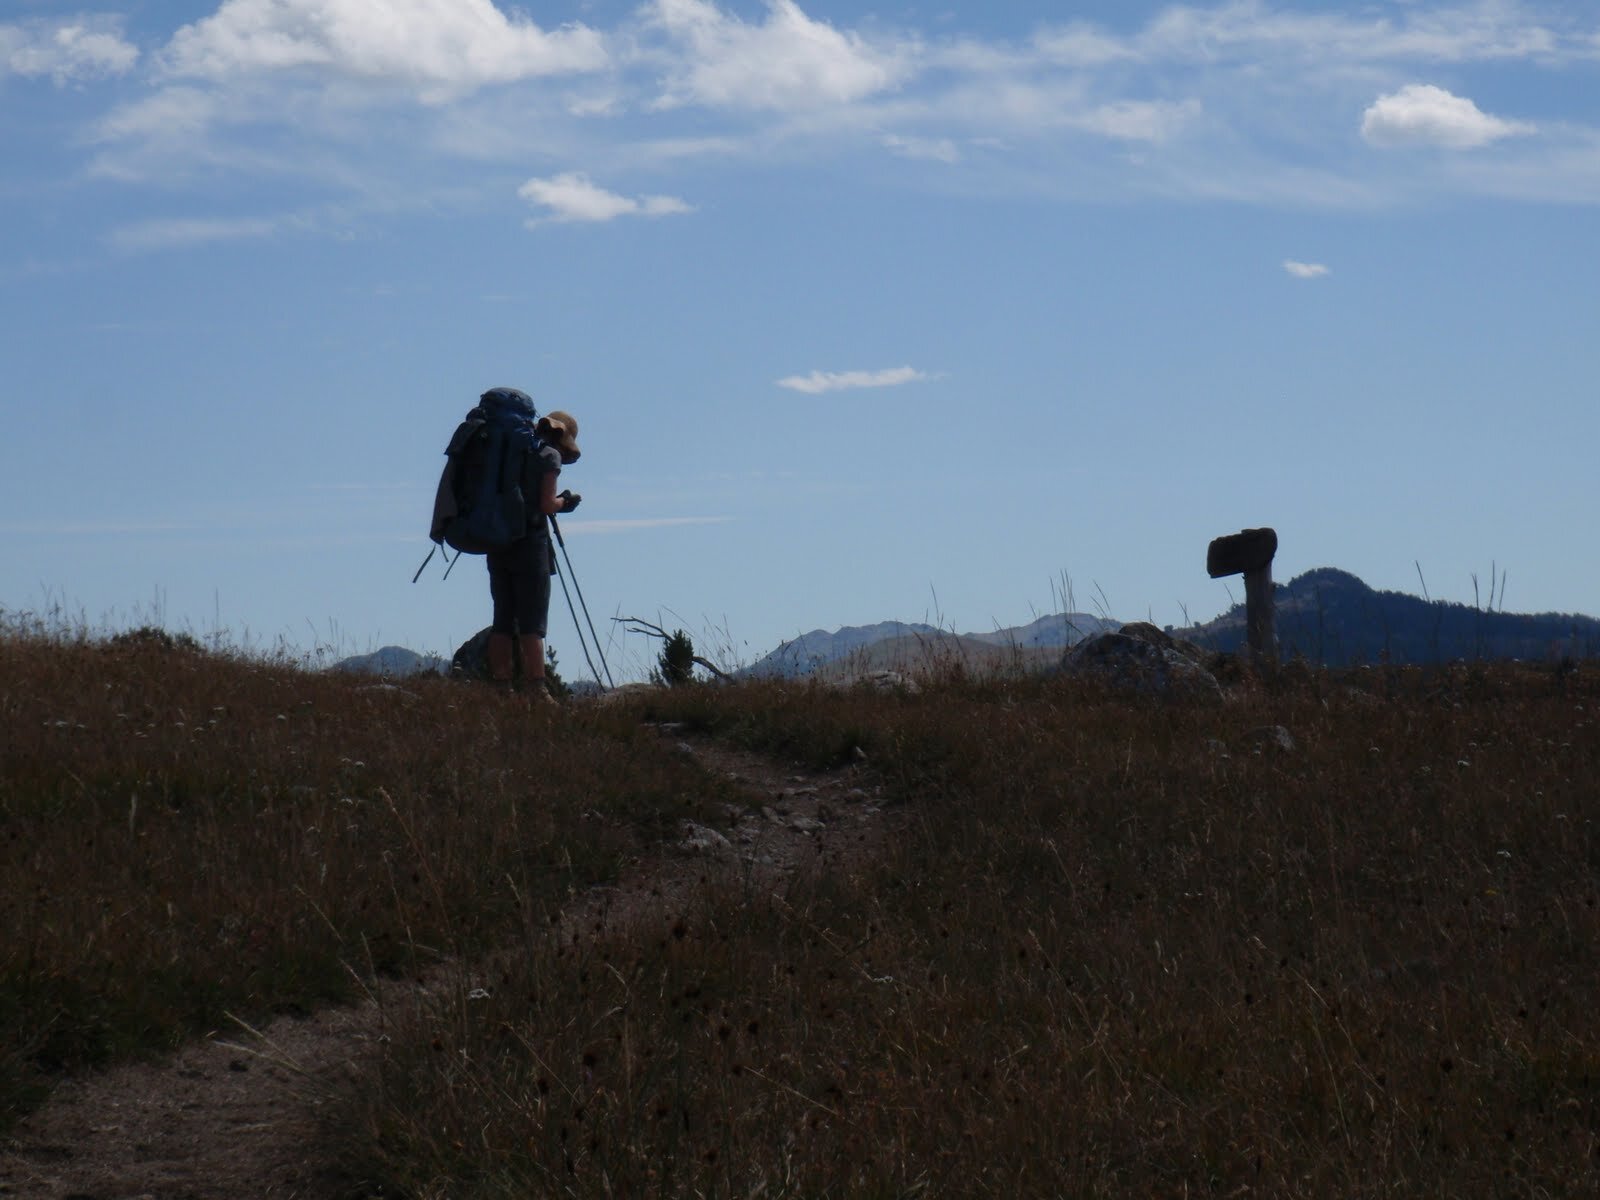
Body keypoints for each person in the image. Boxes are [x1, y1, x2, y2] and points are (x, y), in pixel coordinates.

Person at [485, 408, 582, 703]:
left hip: (498, 541)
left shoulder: (508, 453)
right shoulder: (548, 456)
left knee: (502, 617)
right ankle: (537, 689)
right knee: (532, 620)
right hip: (530, 545)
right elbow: (546, 503)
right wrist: (565, 501)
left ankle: (501, 687)